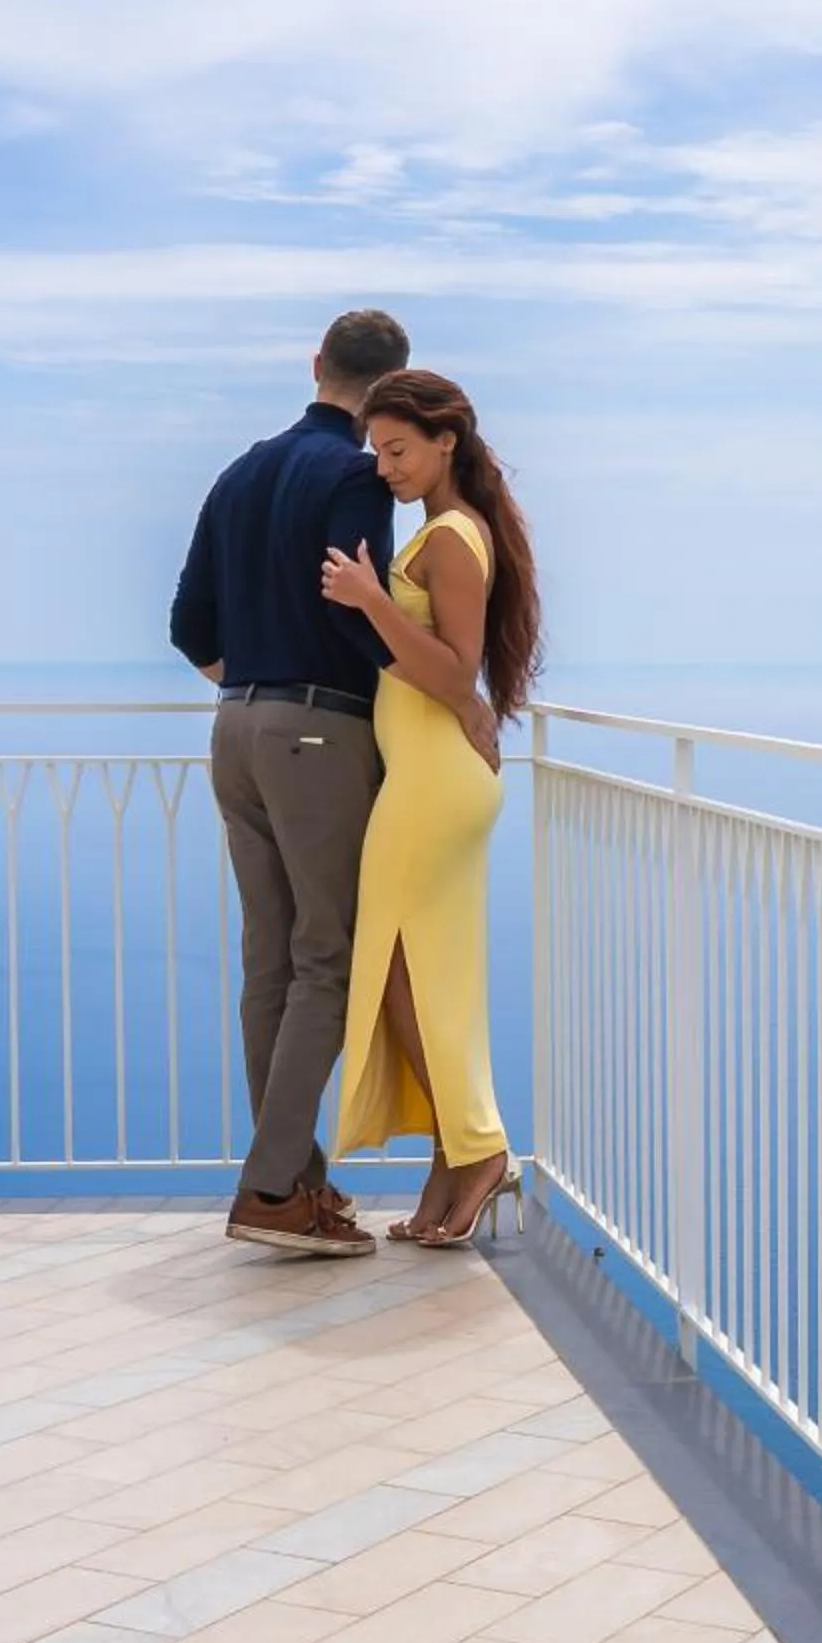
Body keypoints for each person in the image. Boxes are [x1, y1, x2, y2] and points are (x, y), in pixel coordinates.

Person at [170, 311, 499, 1257]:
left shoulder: (238, 471)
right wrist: (437, 701)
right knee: (328, 957)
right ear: (389, 387)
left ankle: (298, 1182)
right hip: (319, 734)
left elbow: (190, 626)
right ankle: (273, 1189)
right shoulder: (357, 474)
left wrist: (257, 685)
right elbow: (359, 612)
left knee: (268, 963)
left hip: (233, 725)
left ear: (315, 367)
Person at [317, 369, 544, 1245]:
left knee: (400, 978)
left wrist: (373, 602)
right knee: (421, 980)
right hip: (425, 779)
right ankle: (455, 1159)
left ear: (446, 439)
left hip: (434, 785)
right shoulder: (443, 531)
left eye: (398, 448)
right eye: (377, 451)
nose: (385, 467)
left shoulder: (452, 537)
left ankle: (478, 1149)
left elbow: (455, 673)